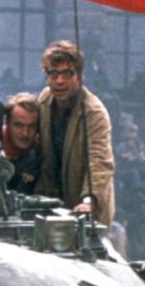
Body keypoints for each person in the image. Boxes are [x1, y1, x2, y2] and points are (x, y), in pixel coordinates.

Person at [35, 40, 115, 225]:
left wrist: (88, 200)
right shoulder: (44, 100)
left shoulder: (94, 113)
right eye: (53, 74)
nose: (59, 81)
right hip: (51, 204)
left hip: (86, 210)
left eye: (67, 73)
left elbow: (99, 162)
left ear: (80, 76)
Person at [2, 92, 42, 195]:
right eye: (18, 125)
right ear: (7, 122)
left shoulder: (41, 153)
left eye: (31, 126)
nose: (25, 133)